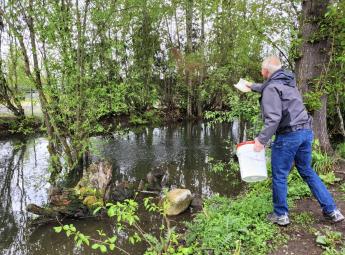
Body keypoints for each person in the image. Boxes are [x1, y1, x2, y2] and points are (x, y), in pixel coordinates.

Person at [246, 56, 344, 226]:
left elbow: (274, 118)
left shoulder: (272, 87)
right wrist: (251, 86)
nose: (260, 72)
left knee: (279, 175)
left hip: (288, 136)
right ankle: (332, 211)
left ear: (266, 71)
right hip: (306, 132)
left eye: (261, 70)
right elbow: (268, 88)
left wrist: (261, 140)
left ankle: (280, 215)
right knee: (307, 170)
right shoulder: (287, 82)